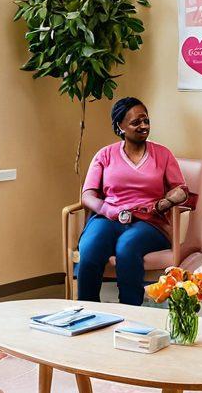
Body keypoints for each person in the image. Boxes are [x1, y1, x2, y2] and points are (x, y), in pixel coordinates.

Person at [77, 97, 191, 305]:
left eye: (146, 120)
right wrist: (108, 209)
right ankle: (87, 308)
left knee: (127, 246)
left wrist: (164, 203)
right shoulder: (105, 155)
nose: (144, 126)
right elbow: (88, 195)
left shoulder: (163, 154)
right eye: (136, 122)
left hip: (149, 222)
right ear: (120, 126)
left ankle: (130, 311)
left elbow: (181, 190)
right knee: (91, 246)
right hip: (109, 217)